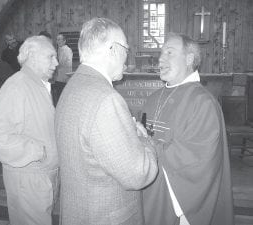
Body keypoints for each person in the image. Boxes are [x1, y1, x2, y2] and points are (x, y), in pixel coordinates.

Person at [54, 17, 158, 225]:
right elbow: (138, 174)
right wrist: (143, 139)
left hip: (79, 211)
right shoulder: (106, 98)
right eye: (126, 49)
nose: (126, 57)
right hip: (105, 216)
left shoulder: (72, 85)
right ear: (112, 49)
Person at [141, 32, 234, 225]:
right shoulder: (153, 98)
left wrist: (148, 145)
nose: (160, 59)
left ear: (189, 59)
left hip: (177, 201)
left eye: (169, 53)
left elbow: (195, 161)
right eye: (161, 53)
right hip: (149, 192)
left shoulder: (203, 102)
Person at [0, 35, 59, 225]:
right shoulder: (17, 86)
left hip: (41, 178)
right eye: (51, 57)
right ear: (32, 56)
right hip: (29, 179)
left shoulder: (37, 85)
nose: (57, 63)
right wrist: (38, 151)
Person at [53, 33, 73, 105]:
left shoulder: (67, 50)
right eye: (57, 40)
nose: (57, 41)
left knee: (62, 98)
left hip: (64, 77)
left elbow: (62, 63)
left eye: (59, 39)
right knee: (58, 97)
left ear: (64, 41)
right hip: (59, 77)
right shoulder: (59, 49)